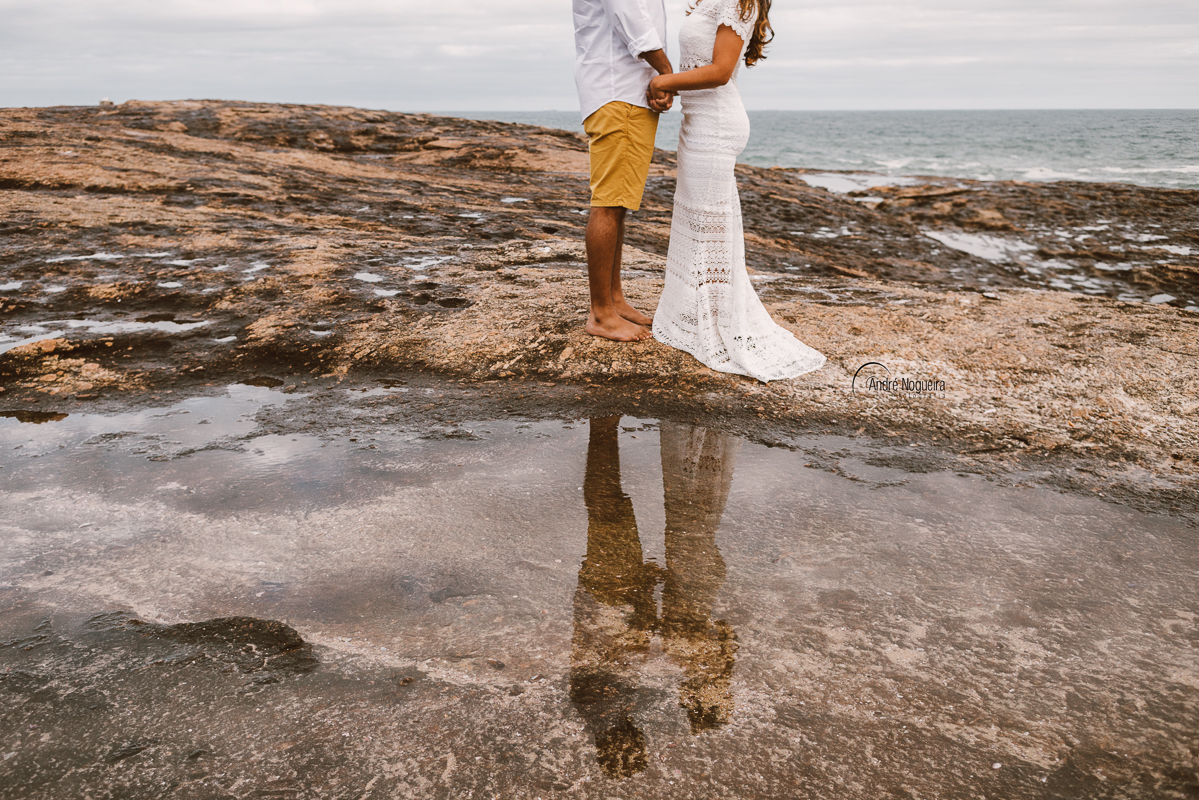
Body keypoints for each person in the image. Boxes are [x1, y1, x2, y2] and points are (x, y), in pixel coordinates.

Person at [646, 0, 827, 381]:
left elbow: (720, 71)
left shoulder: (739, 0)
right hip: (697, 121)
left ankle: (714, 326)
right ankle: (695, 318)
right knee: (700, 226)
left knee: (708, 227)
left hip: (716, 124)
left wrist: (662, 82)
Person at [572, 0, 674, 342]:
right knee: (609, 202)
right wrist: (666, 72)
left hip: (627, 92)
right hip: (620, 92)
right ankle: (601, 314)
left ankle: (614, 300)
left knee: (618, 203)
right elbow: (630, 16)